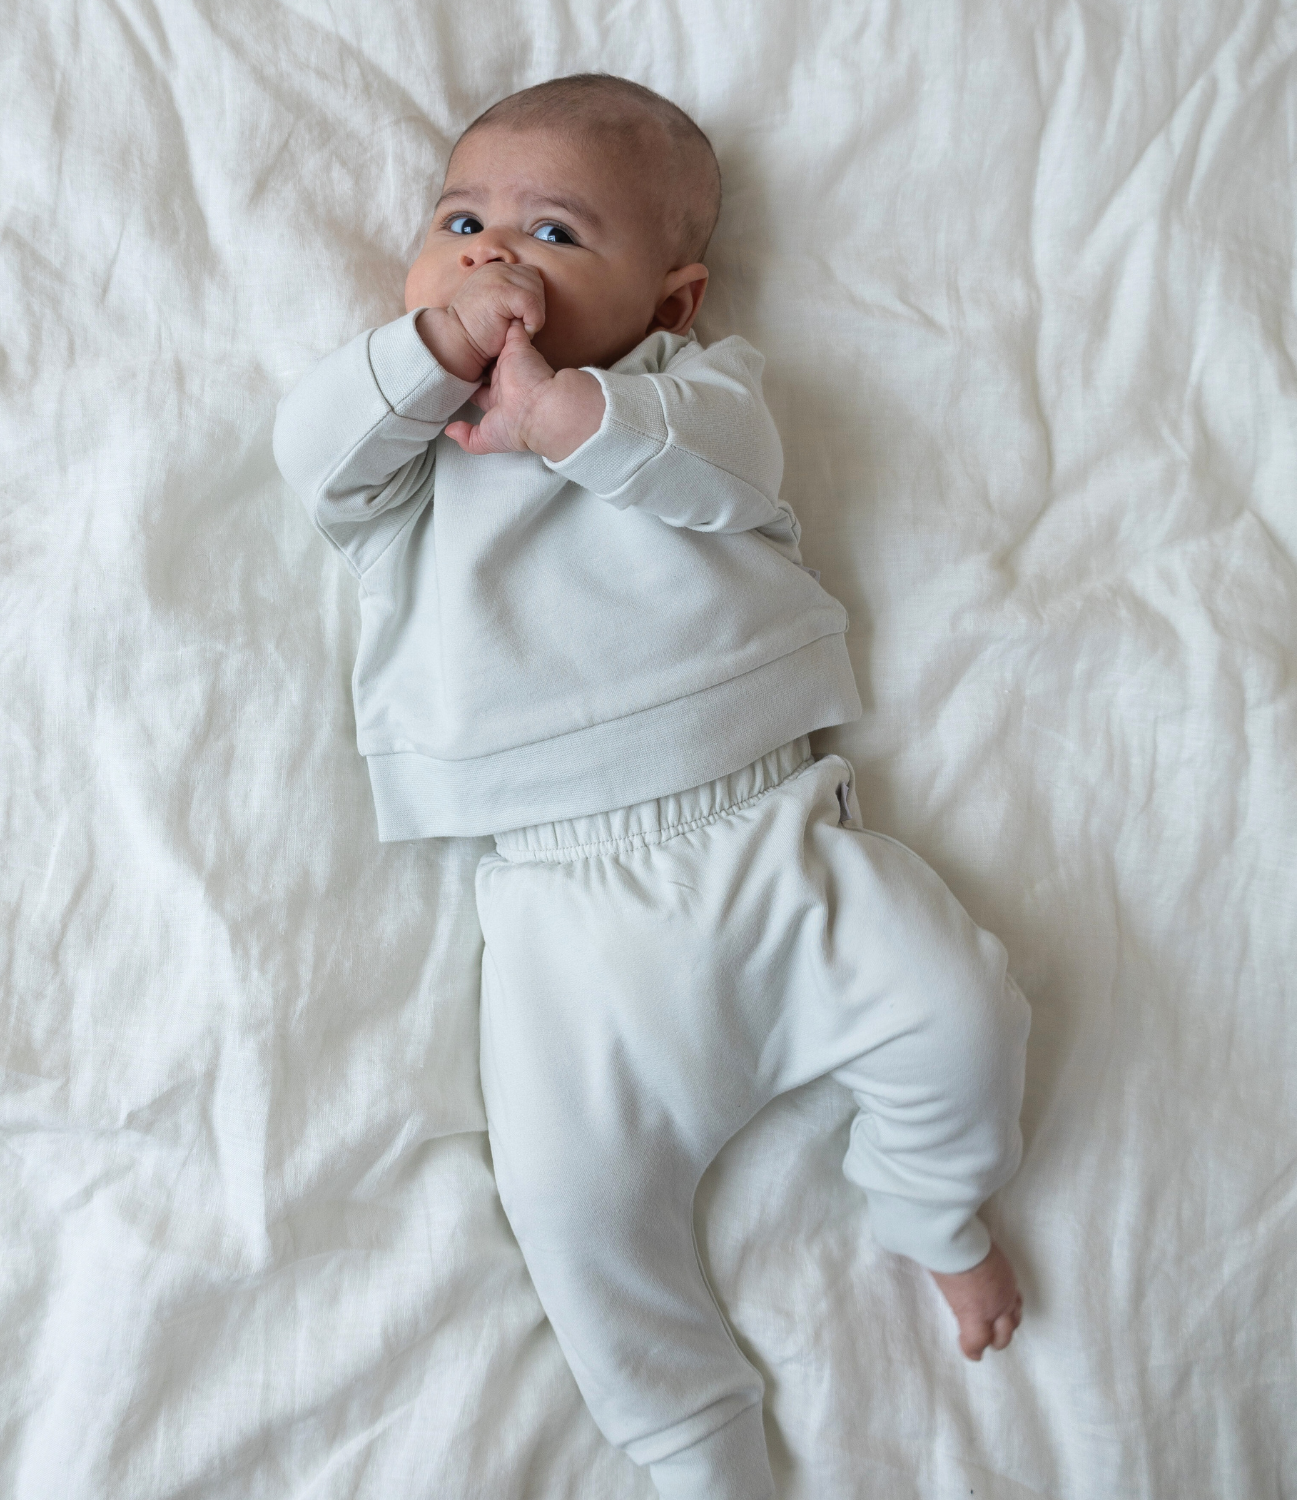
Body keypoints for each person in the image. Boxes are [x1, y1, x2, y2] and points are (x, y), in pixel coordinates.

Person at [274, 72, 1030, 1500]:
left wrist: (571, 416)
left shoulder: (693, 396)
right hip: (564, 914)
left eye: (555, 233)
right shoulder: (407, 462)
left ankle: (930, 1202)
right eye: (461, 223)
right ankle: (686, 1432)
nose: (496, 256)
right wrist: (433, 352)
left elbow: (734, 471)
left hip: (775, 838)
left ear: (672, 301)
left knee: (962, 1009)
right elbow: (309, 452)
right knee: (567, 1205)